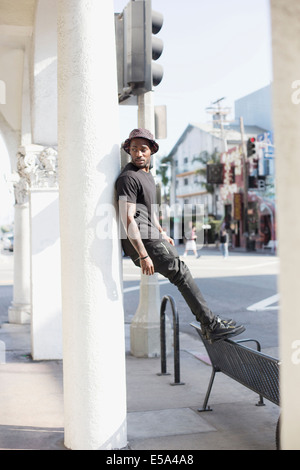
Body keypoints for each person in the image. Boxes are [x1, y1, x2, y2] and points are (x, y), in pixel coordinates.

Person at [116, 128, 245, 342]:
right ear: (129, 150)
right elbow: (128, 218)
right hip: (142, 241)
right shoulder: (128, 178)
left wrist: (162, 231)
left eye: (143, 149)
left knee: (181, 272)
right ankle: (211, 325)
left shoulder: (147, 176)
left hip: (152, 236)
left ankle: (211, 323)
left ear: (152, 151)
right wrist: (143, 254)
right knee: (181, 273)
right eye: (134, 149)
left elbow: (151, 210)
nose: (138, 154)